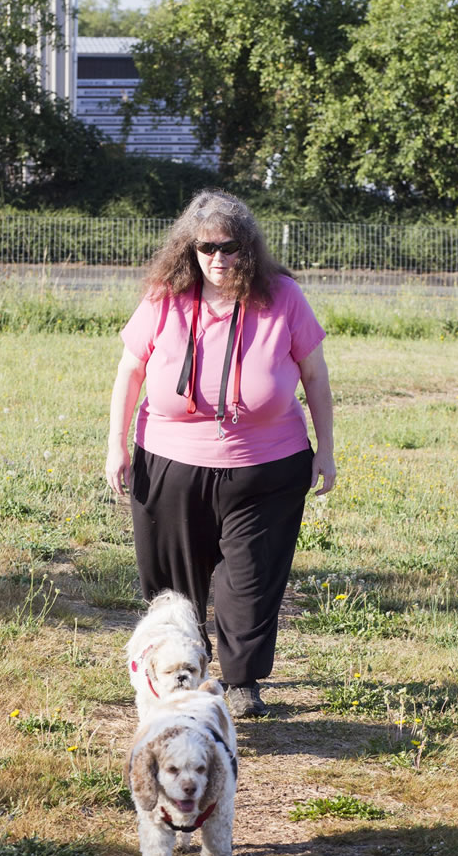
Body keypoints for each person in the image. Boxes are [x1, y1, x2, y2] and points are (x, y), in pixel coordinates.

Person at [105, 189, 336, 718]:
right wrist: (116, 445)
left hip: (267, 466)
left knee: (251, 577)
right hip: (169, 460)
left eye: (229, 248)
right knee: (173, 581)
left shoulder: (283, 297)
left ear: (248, 248)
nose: (218, 259)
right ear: (189, 250)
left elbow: (316, 377)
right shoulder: (165, 295)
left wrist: (326, 450)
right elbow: (130, 371)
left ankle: (242, 682)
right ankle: (180, 672)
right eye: (205, 248)